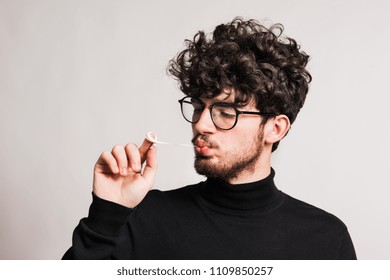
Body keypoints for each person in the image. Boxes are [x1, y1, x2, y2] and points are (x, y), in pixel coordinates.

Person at [63, 17, 356, 259]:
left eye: (226, 112)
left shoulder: (326, 239)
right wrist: (108, 214)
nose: (201, 124)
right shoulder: (143, 216)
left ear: (275, 129)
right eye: (199, 107)